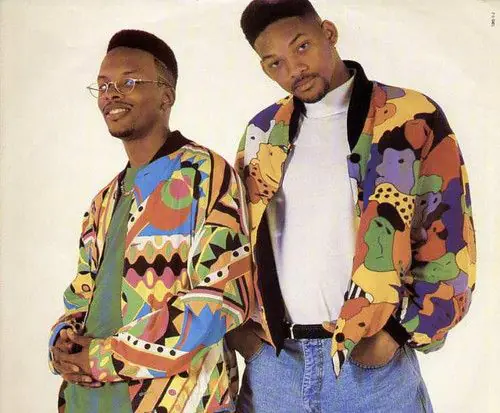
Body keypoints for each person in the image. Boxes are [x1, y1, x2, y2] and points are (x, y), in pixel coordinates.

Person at [228, 1, 476, 412]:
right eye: (275, 63)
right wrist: (243, 335)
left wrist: (397, 333)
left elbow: (449, 236)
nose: (294, 69)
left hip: (370, 366)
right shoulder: (262, 131)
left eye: (302, 46)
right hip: (276, 368)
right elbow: (234, 235)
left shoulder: (411, 116)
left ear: (328, 32)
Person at [48, 29, 253, 413]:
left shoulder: (206, 175)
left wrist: (101, 358)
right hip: (86, 401)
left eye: (129, 82)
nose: (111, 94)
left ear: (166, 95)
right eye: (104, 85)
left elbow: (223, 298)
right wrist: (61, 342)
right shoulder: (103, 201)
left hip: (176, 401)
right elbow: (80, 296)